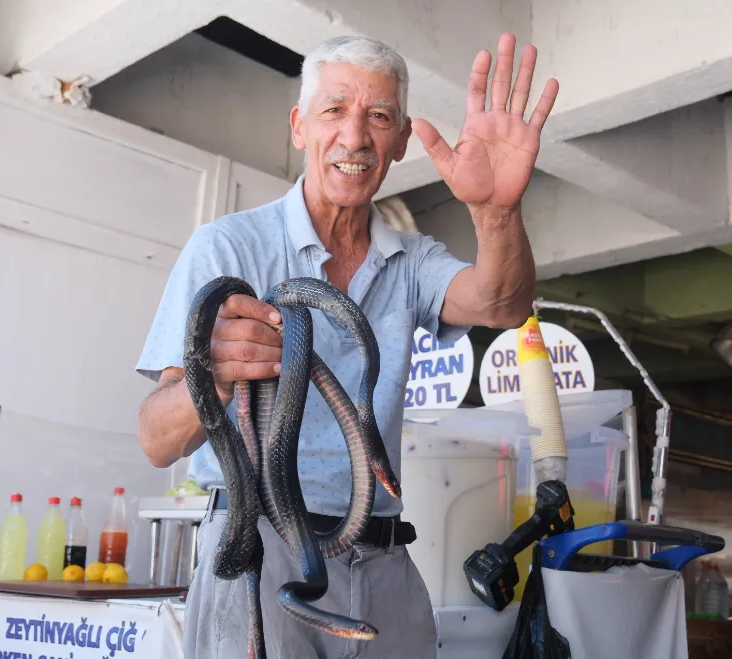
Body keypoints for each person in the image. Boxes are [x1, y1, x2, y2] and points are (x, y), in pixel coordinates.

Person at [135, 32, 558, 659]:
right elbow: (155, 440)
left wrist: (498, 211)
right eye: (334, 110)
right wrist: (212, 374)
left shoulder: (410, 261)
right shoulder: (227, 247)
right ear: (300, 126)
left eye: (379, 116)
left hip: (383, 556)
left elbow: (503, 303)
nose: (356, 136)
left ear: (401, 141)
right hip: (258, 546)